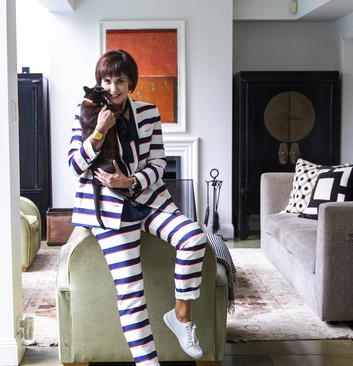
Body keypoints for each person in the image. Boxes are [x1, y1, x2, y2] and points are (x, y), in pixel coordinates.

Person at [67, 49, 207, 366]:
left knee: (194, 237)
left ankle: (181, 317)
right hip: (108, 211)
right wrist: (100, 131)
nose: (113, 88)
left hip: (149, 199)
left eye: (120, 80)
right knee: (131, 293)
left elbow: (159, 162)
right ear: (99, 82)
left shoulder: (148, 113)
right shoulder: (86, 111)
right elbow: (75, 166)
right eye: (107, 80)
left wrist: (130, 181)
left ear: (131, 83)